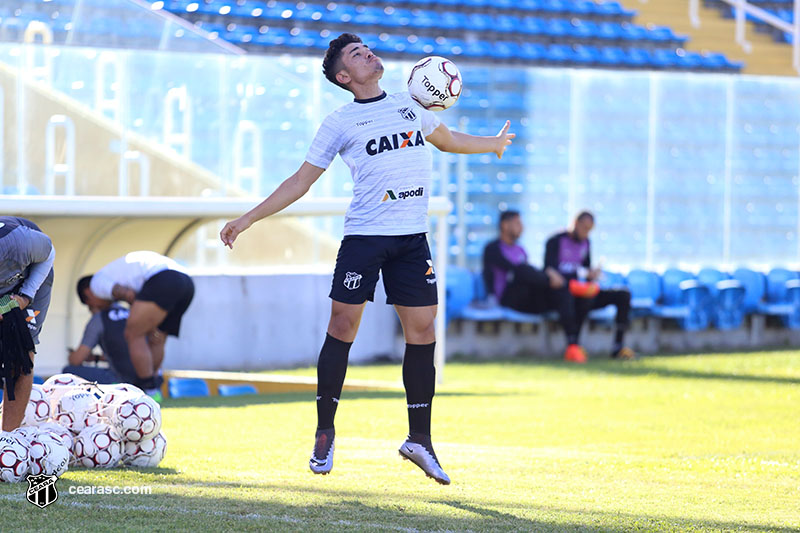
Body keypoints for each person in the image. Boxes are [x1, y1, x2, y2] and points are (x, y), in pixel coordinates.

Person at [220, 33, 515, 485]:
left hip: (412, 242)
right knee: (342, 327)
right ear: (344, 76)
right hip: (366, 239)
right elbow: (300, 181)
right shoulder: (338, 123)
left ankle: (420, 440)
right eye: (357, 54)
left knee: (422, 331)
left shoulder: (410, 103)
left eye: (368, 50)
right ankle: (324, 432)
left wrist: (491, 145)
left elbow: (449, 140)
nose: (369, 55)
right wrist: (248, 219)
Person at [77, 251, 194, 400]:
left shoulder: (96, 284)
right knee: (157, 338)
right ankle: (154, 387)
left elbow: (128, 294)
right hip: (186, 283)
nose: (94, 308)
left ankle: (148, 389)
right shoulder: (113, 273)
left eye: (90, 305)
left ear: (88, 293)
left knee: (133, 333)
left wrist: (138, 314)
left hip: (163, 279)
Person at [544, 211, 635, 362]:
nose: (586, 232)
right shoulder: (555, 240)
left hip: (582, 290)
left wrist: (592, 274)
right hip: (562, 293)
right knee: (575, 297)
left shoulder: (586, 242)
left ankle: (618, 347)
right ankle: (573, 346)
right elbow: (549, 270)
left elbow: (585, 271)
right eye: (584, 228)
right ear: (575, 223)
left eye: (589, 229)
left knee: (623, 294)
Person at [0, 216, 55, 431]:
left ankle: (6, 441)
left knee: (19, 356)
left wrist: (25, 296)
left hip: (30, 281)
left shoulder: (16, 241)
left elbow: (48, 252)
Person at [482, 210, 564, 315]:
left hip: (524, 295)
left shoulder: (520, 249)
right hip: (505, 298)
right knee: (523, 270)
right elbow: (516, 270)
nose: (522, 227)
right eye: (518, 223)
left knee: (554, 293)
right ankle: (552, 282)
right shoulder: (493, 248)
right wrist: (547, 277)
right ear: (505, 225)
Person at [66, 285, 145, 388]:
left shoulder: (99, 319)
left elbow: (76, 360)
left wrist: (71, 356)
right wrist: (97, 358)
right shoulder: (132, 312)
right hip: (147, 376)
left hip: (121, 379)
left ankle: (115, 388)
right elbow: (125, 351)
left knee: (69, 371)